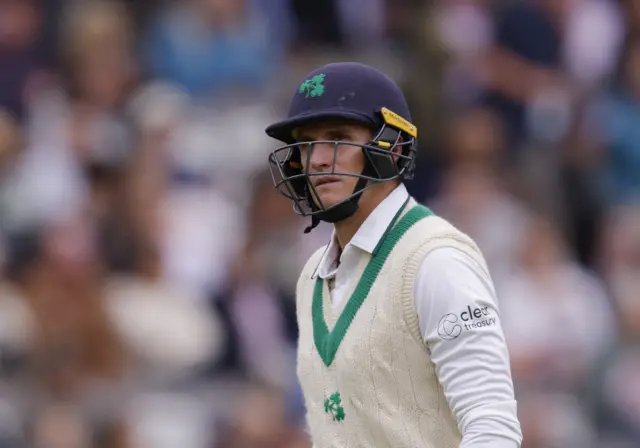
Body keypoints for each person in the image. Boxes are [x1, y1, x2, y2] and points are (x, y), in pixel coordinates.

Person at [265, 62, 522, 448]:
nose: (317, 159)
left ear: (393, 145)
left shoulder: (436, 261)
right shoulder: (311, 278)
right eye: (305, 144)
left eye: (338, 137)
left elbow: (493, 427)